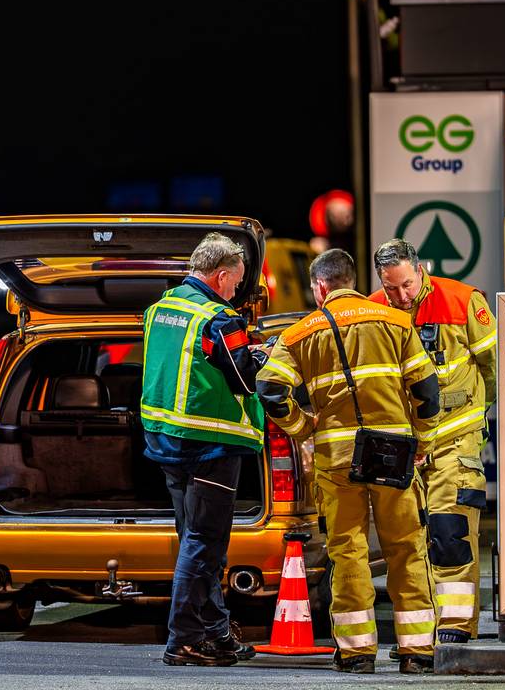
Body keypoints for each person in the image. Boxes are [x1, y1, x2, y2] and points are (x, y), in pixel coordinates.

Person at [256, 249, 440, 675]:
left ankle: (357, 653)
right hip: (394, 454)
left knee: (347, 551)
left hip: (337, 459)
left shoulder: (301, 333)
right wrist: (423, 441)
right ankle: (417, 652)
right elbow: (427, 390)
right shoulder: (396, 322)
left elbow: (268, 389)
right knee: (406, 549)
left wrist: (302, 426)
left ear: (320, 287)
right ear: (354, 280)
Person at [140, 232, 267, 667]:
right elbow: (245, 378)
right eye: (236, 283)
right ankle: (183, 639)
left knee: (196, 541)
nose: (236, 292)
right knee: (205, 541)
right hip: (211, 444)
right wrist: (260, 357)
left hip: (165, 440)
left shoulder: (160, 310)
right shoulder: (219, 318)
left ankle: (215, 631)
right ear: (220, 275)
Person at [370, 238, 494, 646]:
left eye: (406, 285)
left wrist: (476, 417)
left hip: (454, 439)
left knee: (449, 532)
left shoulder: (462, 301)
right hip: (403, 444)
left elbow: (494, 370)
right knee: (407, 541)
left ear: (419, 270)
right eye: (392, 288)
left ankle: (456, 627)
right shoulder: (373, 311)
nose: (402, 296)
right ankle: (420, 636)